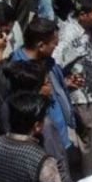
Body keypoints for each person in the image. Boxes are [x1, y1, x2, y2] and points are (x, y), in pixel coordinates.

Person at [53, 0, 92, 176]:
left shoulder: (87, 29)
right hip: (82, 99)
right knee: (88, 144)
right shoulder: (68, 34)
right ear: (82, 15)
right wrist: (65, 81)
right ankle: (89, 177)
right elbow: (54, 62)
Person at [11, 17, 75, 164]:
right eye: (54, 44)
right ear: (41, 45)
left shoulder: (47, 61)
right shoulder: (18, 69)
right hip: (43, 144)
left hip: (59, 137)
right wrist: (39, 96)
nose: (56, 47)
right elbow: (19, 107)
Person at [2, 60, 72, 182]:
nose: (50, 86)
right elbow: (58, 163)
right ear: (34, 90)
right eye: (46, 83)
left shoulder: (7, 106)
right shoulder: (44, 125)